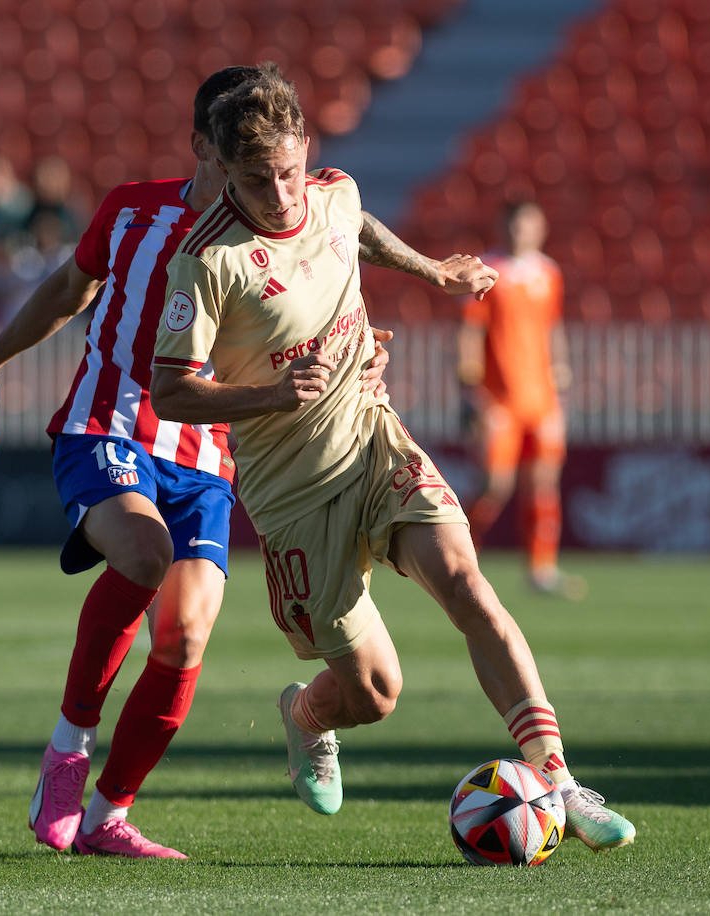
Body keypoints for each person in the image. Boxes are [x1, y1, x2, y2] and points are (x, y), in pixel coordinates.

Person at [0, 66, 495, 861]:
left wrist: (400, 300)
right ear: (203, 152)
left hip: (209, 446)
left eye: (270, 169)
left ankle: (111, 813)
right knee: (144, 555)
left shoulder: (286, 216)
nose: (262, 186)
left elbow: (352, 227)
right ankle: (68, 754)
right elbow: (70, 289)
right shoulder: (139, 213)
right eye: (234, 165)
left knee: (184, 634)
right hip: (110, 422)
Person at [150, 63, 635, 851]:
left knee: (469, 585)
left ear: (306, 146)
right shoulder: (207, 262)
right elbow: (171, 391)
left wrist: (431, 270)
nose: (278, 195)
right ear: (225, 172)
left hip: (374, 436)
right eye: (254, 180)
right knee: (376, 693)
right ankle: (306, 713)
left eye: (286, 171)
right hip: (293, 491)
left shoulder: (332, 191)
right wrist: (273, 395)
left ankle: (557, 779)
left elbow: (356, 227)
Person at [458, 198, 584, 598]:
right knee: (495, 485)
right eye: (515, 224)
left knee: (544, 484)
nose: (521, 231)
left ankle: (541, 569)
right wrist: (469, 388)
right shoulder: (488, 271)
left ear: (541, 227)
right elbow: (471, 332)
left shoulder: (549, 273)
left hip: (542, 398)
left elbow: (553, 328)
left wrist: (561, 382)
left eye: (529, 224)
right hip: (500, 400)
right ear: (503, 226)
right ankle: (460, 559)